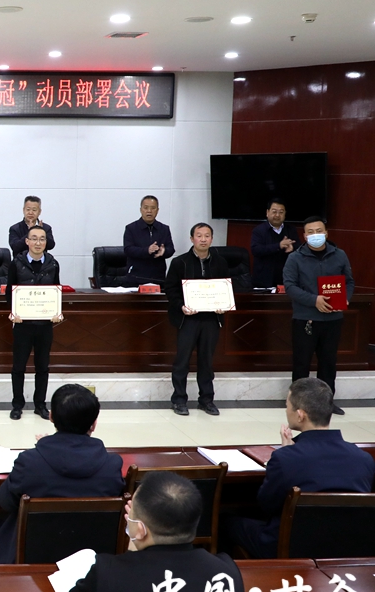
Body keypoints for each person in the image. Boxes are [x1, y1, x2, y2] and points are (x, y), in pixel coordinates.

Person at [67, 472, 244, 592]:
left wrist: (134, 545)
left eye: (132, 514)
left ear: (141, 529)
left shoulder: (107, 573)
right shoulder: (227, 571)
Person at [222, 378, 374, 559]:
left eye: (287, 406)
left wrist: (286, 454)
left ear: (300, 415)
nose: (286, 411)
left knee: (225, 520)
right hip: (346, 549)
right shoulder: (364, 459)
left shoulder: (285, 459)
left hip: (287, 546)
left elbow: (266, 505)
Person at [0, 384, 124, 566]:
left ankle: (0, 583)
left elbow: (5, 502)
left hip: (33, 558)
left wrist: (47, 448)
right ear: (94, 424)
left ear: (51, 416)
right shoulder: (112, 466)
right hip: (92, 560)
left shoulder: (30, 462)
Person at [283, 215, 353, 414]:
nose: (316, 235)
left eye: (319, 231)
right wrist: (314, 300)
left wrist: (345, 299)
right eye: (311, 232)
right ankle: (297, 404)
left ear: (326, 233)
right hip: (305, 318)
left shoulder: (339, 255)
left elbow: (349, 281)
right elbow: (290, 286)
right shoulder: (295, 258)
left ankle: (326, 404)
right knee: (302, 363)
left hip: (333, 319)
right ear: (305, 236)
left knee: (328, 363)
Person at [164, 223, 229, 416]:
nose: (203, 239)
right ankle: (179, 400)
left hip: (211, 319)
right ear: (192, 239)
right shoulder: (179, 262)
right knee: (182, 361)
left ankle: (206, 400)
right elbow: (171, 289)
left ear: (212, 239)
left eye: (207, 236)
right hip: (187, 319)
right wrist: (181, 306)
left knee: (206, 362)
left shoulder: (220, 262)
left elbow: (226, 287)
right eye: (199, 236)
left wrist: (223, 304)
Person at [4, 226, 63, 420]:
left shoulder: (53, 264)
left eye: (42, 239)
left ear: (46, 243)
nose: (38, 243)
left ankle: (40, 405)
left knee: (42, 367)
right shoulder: (16, 263)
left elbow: (56, 290)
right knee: (18, 366)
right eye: (34, 238)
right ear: (27, 242)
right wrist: (13, 312)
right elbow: (10, 292)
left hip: (45, 325)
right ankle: (17, 405)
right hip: (23, 324)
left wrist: (57, 312)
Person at [122, 195, 175, 285]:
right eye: (146, 208)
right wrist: (147, 250)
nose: (149, 211)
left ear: (157, 210)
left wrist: (164, 251)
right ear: (141, 209)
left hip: (158, 277)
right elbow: (128, 249)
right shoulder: (131, 228)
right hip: (136, 277)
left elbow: (171, 249)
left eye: (153, 208)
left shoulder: (164, 229)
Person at [250, 198, 298, 288]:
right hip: (263, 280)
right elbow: (256, 250)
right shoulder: (259, 230)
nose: (277, 215)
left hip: (286, 279)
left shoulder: (291, 230)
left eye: (281, 212)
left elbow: (299, 248)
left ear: (285, 214)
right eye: (274, 211)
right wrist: (278, 245)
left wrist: (292, 248)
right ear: (267, 212)